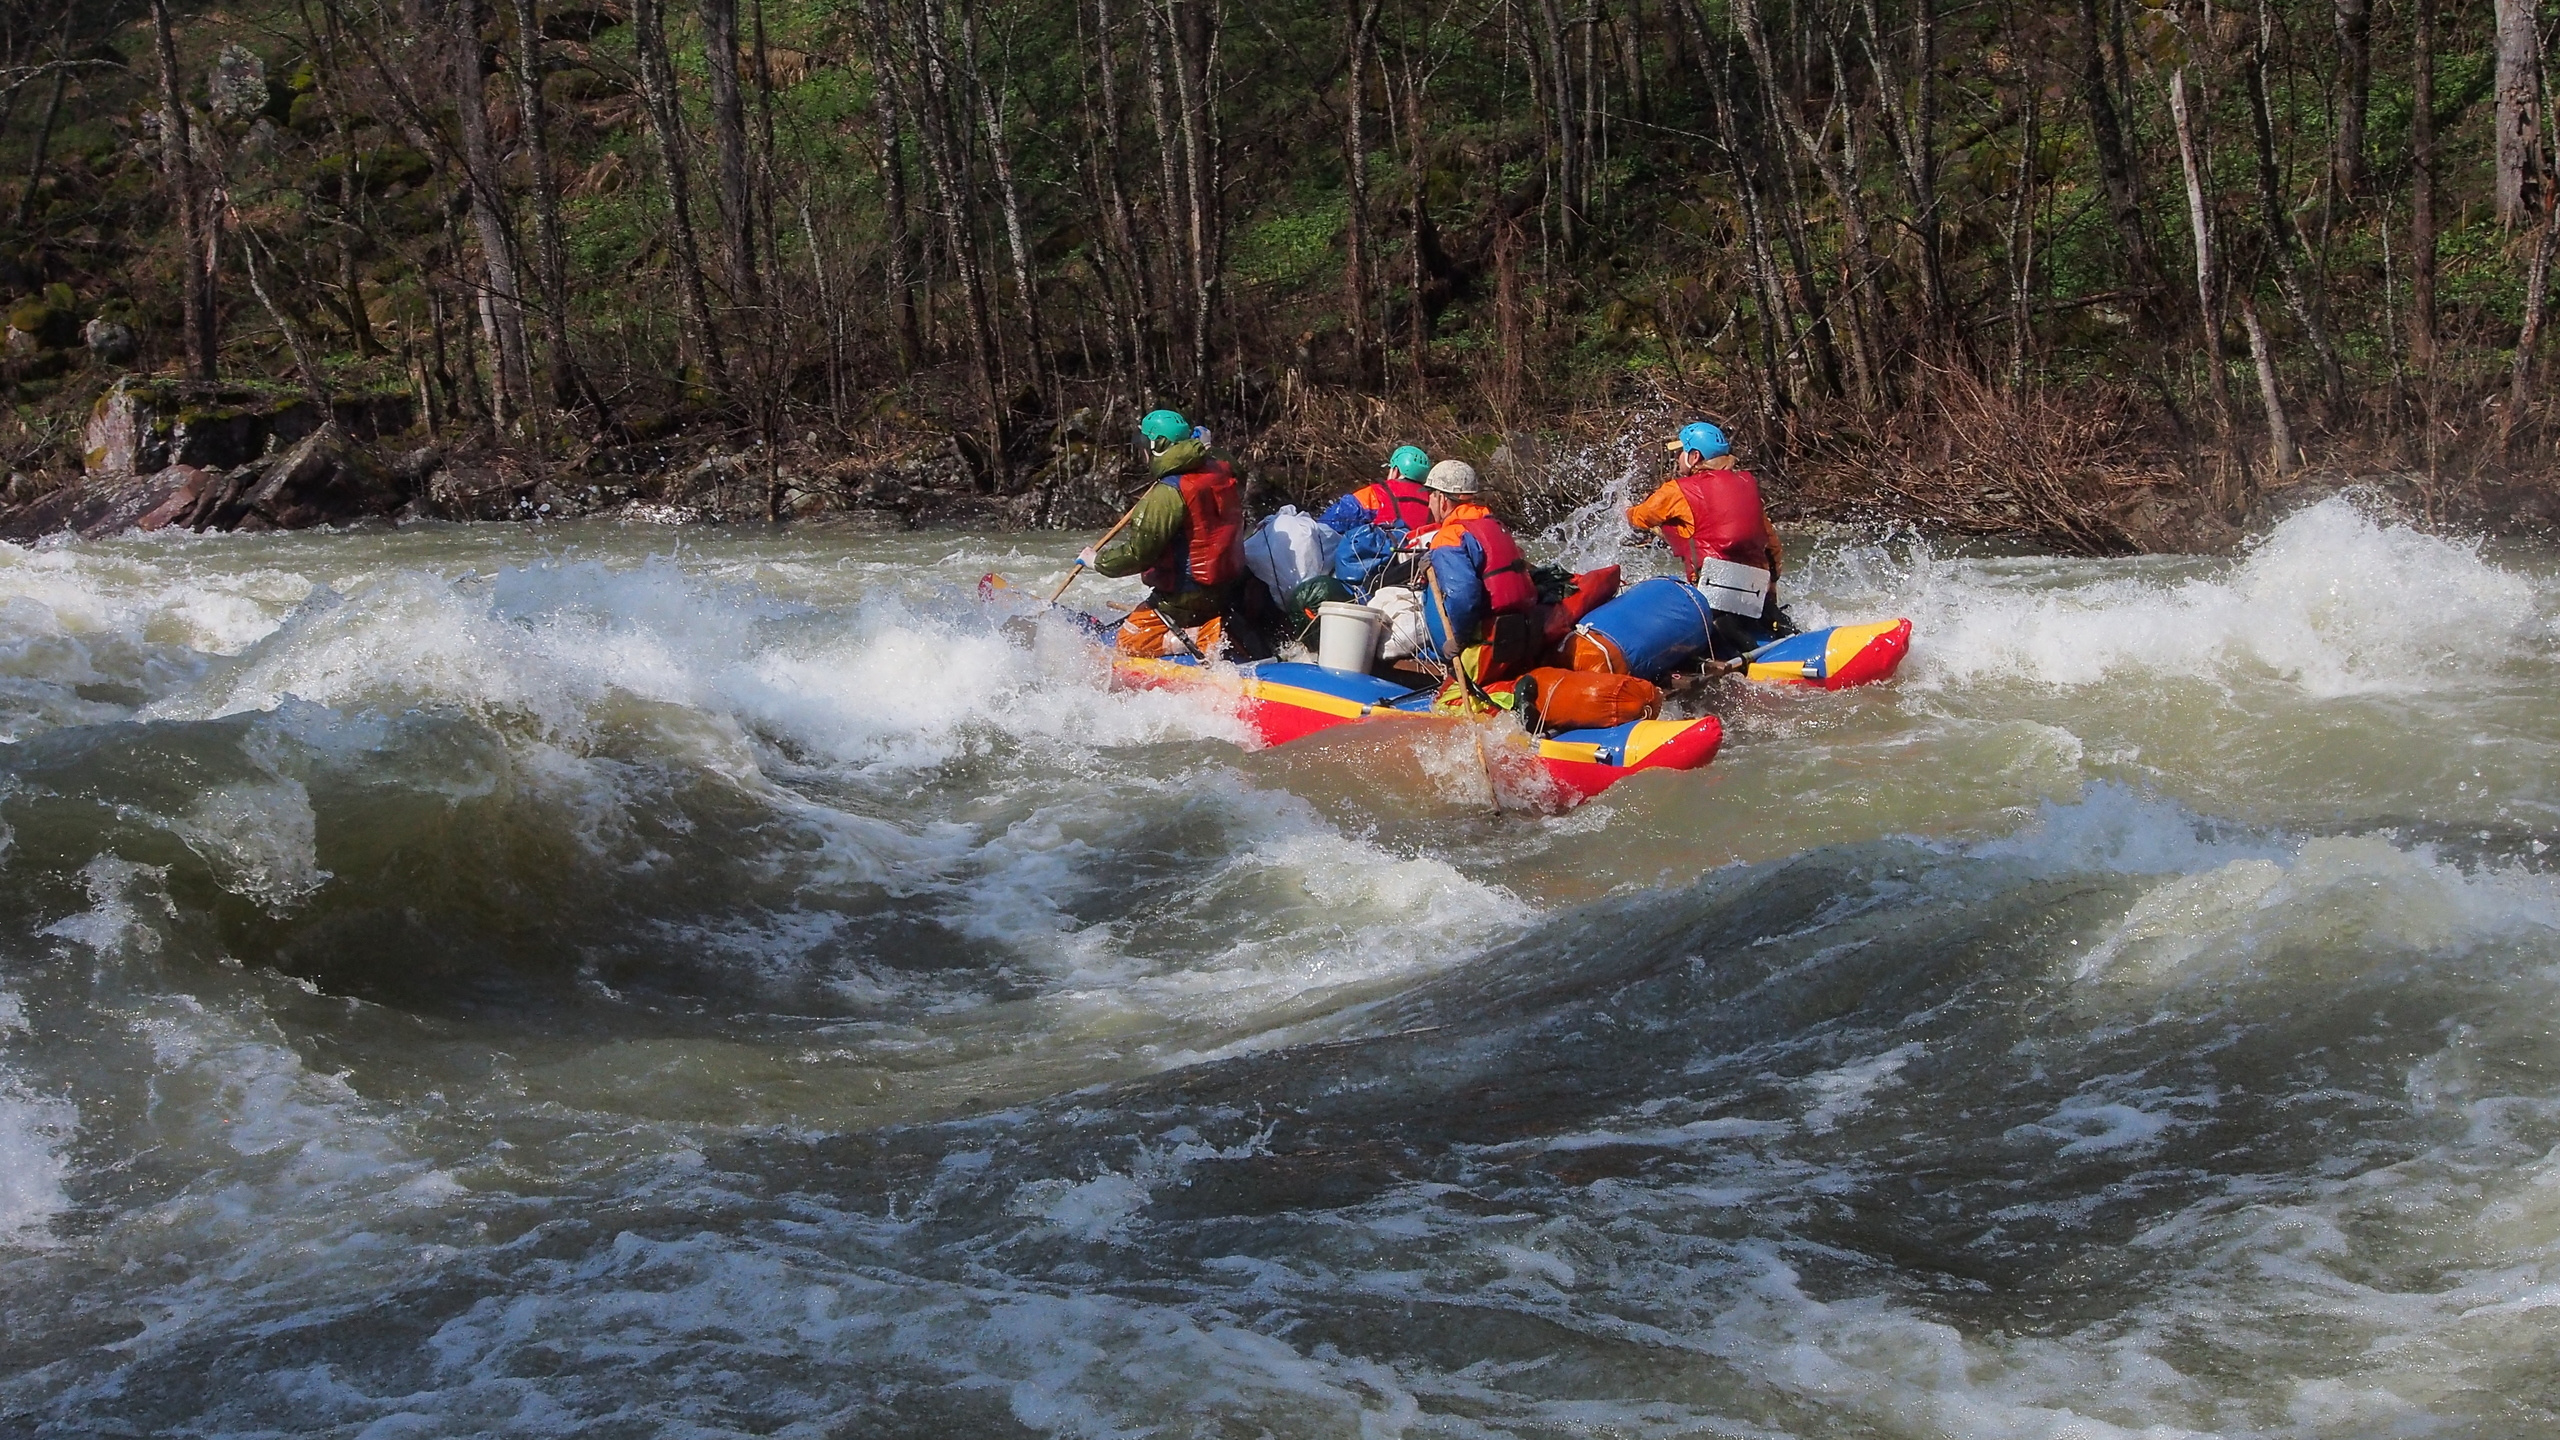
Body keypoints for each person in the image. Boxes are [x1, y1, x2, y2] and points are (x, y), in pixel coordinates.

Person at [1081, 408, 1246, 657]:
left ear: (1158, 445)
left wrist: (1097, 562)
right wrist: (1206, 448)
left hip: (1183, 600)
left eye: (1145, 445)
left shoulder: (1166, 494)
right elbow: (1232, 465)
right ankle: (1209, 626)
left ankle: (1204, 637)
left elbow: (1140, 555)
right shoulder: (1221, 470)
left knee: (1127, 642)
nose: (1143, 452)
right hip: (1226, 589)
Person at [1625, 420, 1787, 656]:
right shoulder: (1746, 484)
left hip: (1711, 593)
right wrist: (1772, 582)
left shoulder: (1677, 490)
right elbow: (1771, 542)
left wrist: (1626, 510)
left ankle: (1735, 646)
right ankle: (1776, 626)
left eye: (1681, 452)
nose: (1678, 457)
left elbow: (1641, 518)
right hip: (1755, 590)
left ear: (1694, 457)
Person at [1416, 459, 1539, 708]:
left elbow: (1463, 596)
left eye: (1430, 495)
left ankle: (1509, 703)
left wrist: (1457, 641)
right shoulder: (1494, 525)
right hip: (1520, 632)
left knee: (1445, 706)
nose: (1428, 503)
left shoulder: (1449, 536)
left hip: (1485, 643)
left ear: (1442, 499)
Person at [1320, 444, 1436, 599]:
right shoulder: (1435, 501)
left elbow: (1328, 525)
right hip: (1416, 577)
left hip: (1375, 578)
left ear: (1395, 471)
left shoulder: (1375, 493)